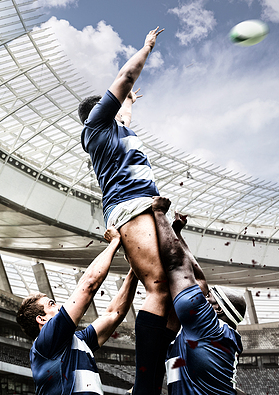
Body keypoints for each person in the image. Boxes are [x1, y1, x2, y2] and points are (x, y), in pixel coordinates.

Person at [79, 27, 171, 394]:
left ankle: (160, 373)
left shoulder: (117, 129)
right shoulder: (96, 128)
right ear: (100, 112)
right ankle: (145, 388)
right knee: (160, 287)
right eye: (115, 106)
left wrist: (130, 102)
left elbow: (125, 116)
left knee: (177, 292)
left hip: (146, 204)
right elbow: (123, 77)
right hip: (129, 206)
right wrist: (147, 47)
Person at [17, 225, 138, 395]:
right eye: (51, 304)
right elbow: (88, 285)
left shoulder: (77, 341)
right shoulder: (47, 341)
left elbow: (113, 315)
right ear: (41, 319)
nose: (59, 306)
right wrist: (115, 242)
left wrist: (135, 268)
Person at [150, 196, 246, 395]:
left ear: (217, 308)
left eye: (210, 295)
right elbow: (199, 280)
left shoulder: (207, 326)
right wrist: (177, 234)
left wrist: (159, 214)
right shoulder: (218, 334)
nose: (204, 295)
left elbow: (177, 265)